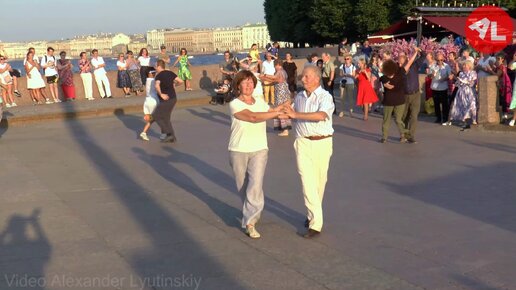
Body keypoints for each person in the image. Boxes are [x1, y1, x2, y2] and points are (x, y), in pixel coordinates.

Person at [228, 70, 287, 239]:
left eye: (251, 82)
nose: (248, 85)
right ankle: (250, 211)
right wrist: (276, 112)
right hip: (238, 149)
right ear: (238, 85)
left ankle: (250, 222)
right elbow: (252, 117)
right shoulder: (235, 104)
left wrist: (285, 109)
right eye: (244, 82)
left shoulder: (260, 102)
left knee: (256, 184)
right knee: (243, 187)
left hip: (260, 148)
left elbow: (270, 111)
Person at [281, 66, 335, 238]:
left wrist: (295, 115)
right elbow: (287, 110)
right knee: (307, 181)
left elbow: (321, 115)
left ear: (316, 79)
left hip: (322, 142)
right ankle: (316, 224)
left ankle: (312, 215)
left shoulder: (325, 97)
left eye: (306, 76)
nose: (302, 79)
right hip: (303, 142)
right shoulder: (299, 97)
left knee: (320, 182)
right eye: (302, 76)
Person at [379, 59, 410, 143]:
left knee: (395, 120)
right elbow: (381, 78)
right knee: (391, 120)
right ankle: (386, 137)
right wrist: (385, 83)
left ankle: (403, 134)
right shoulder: (385, 77)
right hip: (394, 101)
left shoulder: (399, 76)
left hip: (396, 101)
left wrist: (388, 86)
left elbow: (395, 86)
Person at [153, 59, 183, 143]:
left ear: (159, 66)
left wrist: (161, 94)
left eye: (156, 66)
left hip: (166, 99)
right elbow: (180, 81)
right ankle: (172, 137)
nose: (155, 68)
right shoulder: (170, 73)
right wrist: (175, 85)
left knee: (156, 116)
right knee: (166, 118)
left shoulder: (158, 76)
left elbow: (157, 86)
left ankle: (169, 134)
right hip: (173, 98)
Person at [260, 59, 291, 136]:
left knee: (281, 109)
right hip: (282, 91)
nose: (274, 67)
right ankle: (284, 128)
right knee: (283, 109)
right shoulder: (282, 71)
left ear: (277, 65)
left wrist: (264, 75)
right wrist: (264, 79)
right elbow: (275, 80)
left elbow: (274, 78)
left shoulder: (280, 71)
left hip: (281, 92)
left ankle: (285, 129)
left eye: (275, 65)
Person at [400, 47, 424, 143]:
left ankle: (411, 135)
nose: (399, 60)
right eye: (398, 58)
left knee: (414, 116)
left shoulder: (414, 65)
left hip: (415, 94)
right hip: (405, 95)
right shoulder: (399, 69)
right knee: (405, 116)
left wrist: (419, 50)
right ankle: (404, 134)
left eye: (401, 57)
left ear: (406, 58)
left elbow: (423, 56)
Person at [445, 60, 478, 130]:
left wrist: (464, 81)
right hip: (462, 91)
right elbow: (458, 83)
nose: (464, 66)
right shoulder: (461, 73)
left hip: (469, 91)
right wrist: (454, 78)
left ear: (469, 66)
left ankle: (474, 119)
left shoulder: (473, 73)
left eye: (465, 65)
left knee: (472, 105)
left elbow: (472, 83)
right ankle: (465, 121)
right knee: (463, 106)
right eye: (463, 65)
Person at [429, 52, 451, 124]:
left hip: (443, 87)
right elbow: (429, 75)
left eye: (441, 60)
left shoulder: (447, 66)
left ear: (443, 59)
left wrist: (445, 78)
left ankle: (445, 119)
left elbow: (449, 75)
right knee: (436, 104)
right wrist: (431, 75)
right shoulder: (433, 66)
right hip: (435, 87)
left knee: (445, 104)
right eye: (438, 60)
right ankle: (438, 118)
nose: (440, 62)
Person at [140, 71, 159, 141]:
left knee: (152, 119)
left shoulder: (147, 80)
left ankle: (144, 132)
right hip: (153, 100)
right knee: (160, 117)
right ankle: (165, 133)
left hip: (147, 101)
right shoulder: (154, 80)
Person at [495, 53, 513, 121]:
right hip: (503, 84)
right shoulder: (500, 66)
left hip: (504, 85)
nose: (497, 60)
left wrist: (489, 70)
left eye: (498, 59)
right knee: (503, 100)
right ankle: (504, 116)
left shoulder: (501, 66)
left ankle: (504, 116)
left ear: (502, 59)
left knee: (504, 100)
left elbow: (497, 75)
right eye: (497, 59)